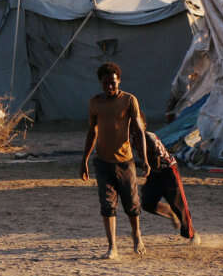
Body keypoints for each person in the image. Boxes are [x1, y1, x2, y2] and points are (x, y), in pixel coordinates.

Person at [80, 62, 148, 259]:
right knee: (107, 204)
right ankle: (112, 247)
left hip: (125, 161)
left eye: (113, 83)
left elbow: (139, 131)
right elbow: (92, 131)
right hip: (102, 162)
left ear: (119, 81)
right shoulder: (95, 103)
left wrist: (144, 159)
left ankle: (137, 235)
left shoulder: (129, 100)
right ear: (100, 83)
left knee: (132, 204)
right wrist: (84, 160)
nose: (110, 87)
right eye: (106, 83)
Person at [131, 111, 198, 244]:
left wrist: (138, 164)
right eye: (131, 125)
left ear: (144, 125)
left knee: (178, 204)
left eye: (137, 124)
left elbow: (156, 161)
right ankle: (169, 212)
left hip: (168, 170)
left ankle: (191, 233)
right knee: (148, 203)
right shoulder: (133, 140)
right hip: (154, 172)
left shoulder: (149, 137)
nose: (134, 128)